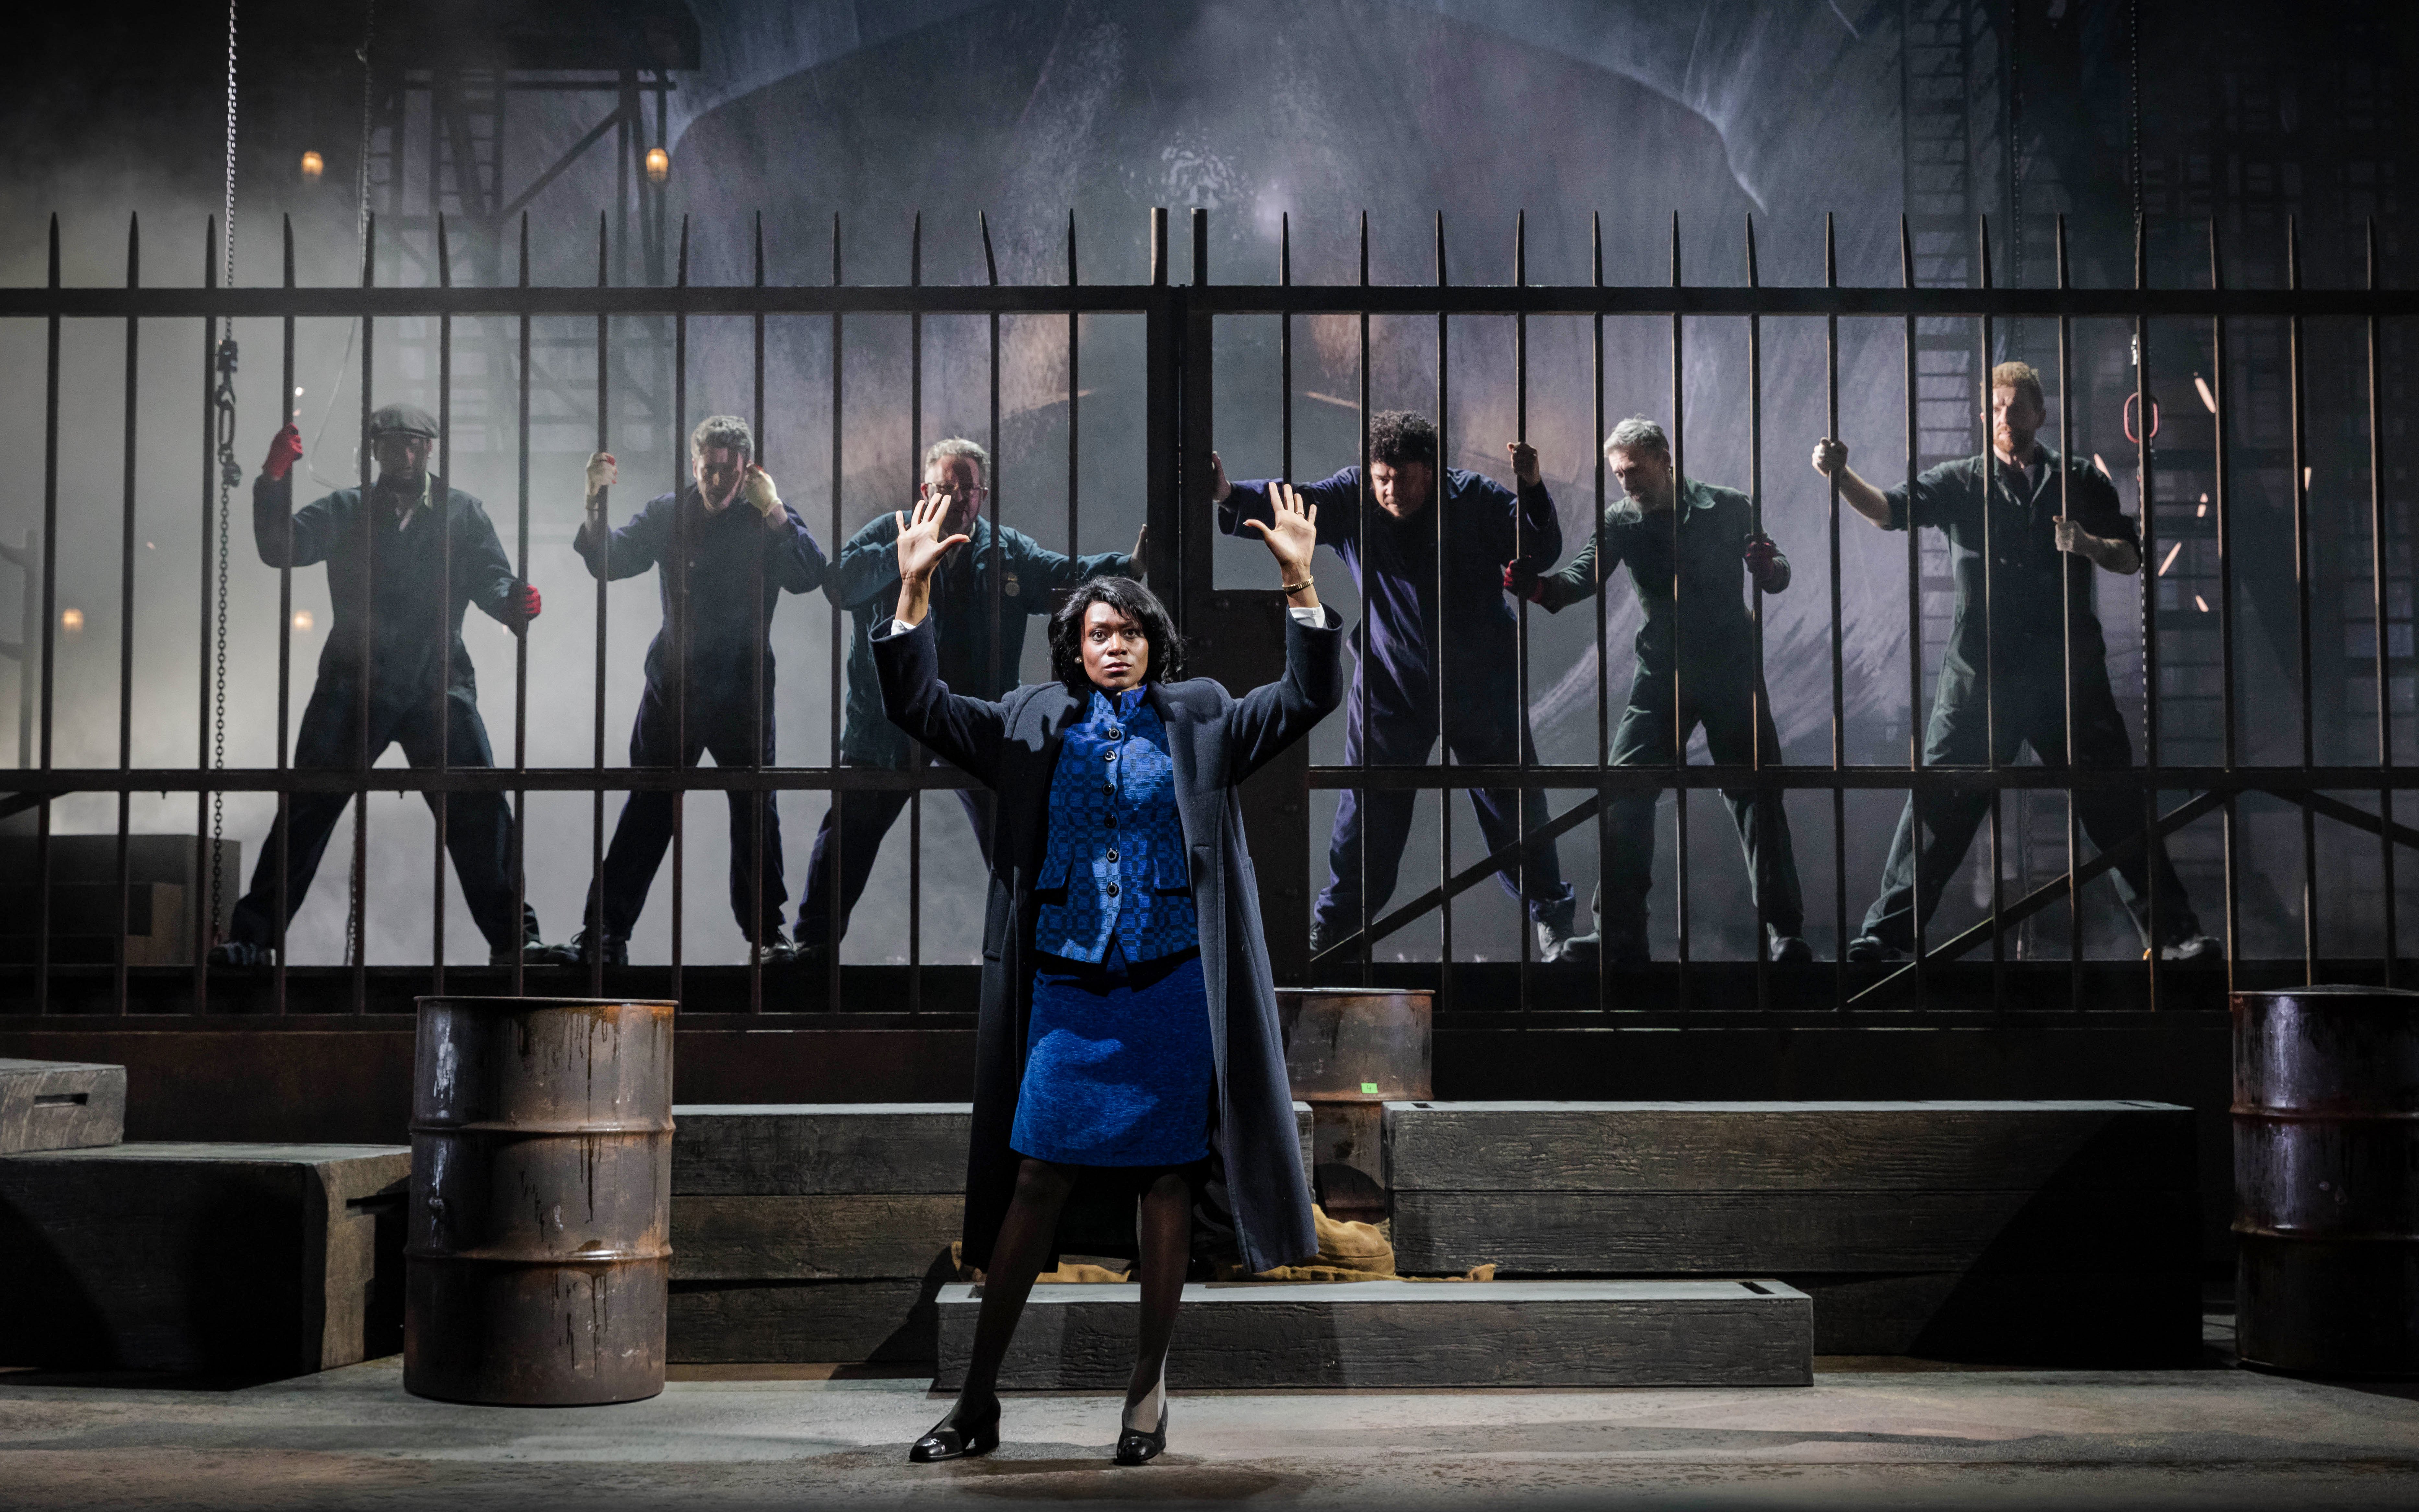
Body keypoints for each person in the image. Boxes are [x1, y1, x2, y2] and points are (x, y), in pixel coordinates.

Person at [883, 482, 1337, 1466]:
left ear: (1154, 642)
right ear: (1074, 649)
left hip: (1171, 982)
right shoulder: (1029, 722)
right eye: (1098, 632)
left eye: (1130, 629)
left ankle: (1145, 1398)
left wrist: (1299, 582)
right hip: (1069, 987)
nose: (1116, 643)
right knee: (1035, 1176)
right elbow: (915, 702)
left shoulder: (1202, 717)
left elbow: (1307, 695)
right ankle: (976, 1403)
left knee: (1167, 1182)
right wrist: (912, 596)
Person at [1812, 360, 2220, 962]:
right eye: (1996, 408)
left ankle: (2174, 937)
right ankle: (1886, 936)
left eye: (2016, 407)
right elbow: (1886, 511)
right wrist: (1841, 476)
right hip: (1980, 682)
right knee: (1939, 807)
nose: (2005, 417)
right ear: (1985, 416)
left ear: (2039, 414)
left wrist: (2085, 543)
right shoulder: (1961, 481)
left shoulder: (2079, 478)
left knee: (2113, 803)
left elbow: (2130, 557)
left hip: (2067, 677)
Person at [1213, 410, 1579, 963]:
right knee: (1366, 810)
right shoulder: (1354, 494)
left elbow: (1539, 548)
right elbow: (1292, 502)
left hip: (1480, 683)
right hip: (1391, 683)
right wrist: (1226, 493)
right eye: (1381, 477)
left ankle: (1551, 917)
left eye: (1402, 477)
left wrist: (1530, 487)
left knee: (1513, 800)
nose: (1390, 490)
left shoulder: (1472, 496)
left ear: (1430, 470)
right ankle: (1334, 932)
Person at [210, 406, 545, 966]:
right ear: (375, 450)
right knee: (307, 812)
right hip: (355, 682)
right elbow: (281, 548)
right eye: (392, 445)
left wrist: (512, 599)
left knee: (479, 812)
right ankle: (253, 940)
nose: (403, 454)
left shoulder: (462, 513)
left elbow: (490, 577)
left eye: (413, 444)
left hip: (434, 681)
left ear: (430, 448)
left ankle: (516, 941)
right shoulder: (347, 508)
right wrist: (273, 482)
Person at [797, 437, 1138, 959]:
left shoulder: (1003, 548)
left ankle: (1033, 945)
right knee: (849, 833)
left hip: (973, 718)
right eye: (944, 487)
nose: (956, 498)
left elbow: (1063, 573)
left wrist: (1130, 565)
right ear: (923, 490)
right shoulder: (893, 530)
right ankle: (813, 949)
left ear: (983, 494)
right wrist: (903, 555)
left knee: (1014, 835)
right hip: (888, 723)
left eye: (967, 489)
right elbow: (839, 584)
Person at [1507, 416, 1811, 964]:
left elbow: (1779, 568)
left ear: (1665, 459)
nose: (1627, 484)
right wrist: (1539, 588)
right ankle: (1619, 935)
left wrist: (1769, 568)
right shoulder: (1622, 520)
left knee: (1757, 794)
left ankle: (1784, 932)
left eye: (1635, 472)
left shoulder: (1729, 506)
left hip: (1729, 670)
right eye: (1620, 475)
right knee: (1625, 789)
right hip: (1662, 673)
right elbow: (1581, 576)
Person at [540, 417, 828, 965]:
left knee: (755, 809)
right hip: (675, 685)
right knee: (649, 805)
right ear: (694, 464)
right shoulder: (669, 511)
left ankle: (767, 936)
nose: (717, 480)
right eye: (709, 468)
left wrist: (774, 510)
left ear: (748, 471)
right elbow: (610, 561)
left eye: (728, 470)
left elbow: (810, 575)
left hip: (743, 688)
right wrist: (593, 504)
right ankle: (604, 935)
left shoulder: (762, 515)